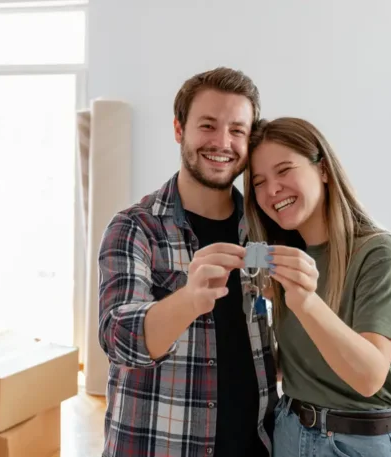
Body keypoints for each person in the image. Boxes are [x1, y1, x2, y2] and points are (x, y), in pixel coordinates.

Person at [97, 67, 278, 457]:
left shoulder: (264, 229)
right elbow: (118, 338)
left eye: (237, 130)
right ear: (179, 130)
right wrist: (190, 300)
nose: (222, 142)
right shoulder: (135, 227)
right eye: (208, 126)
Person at [243, 117, 391, 457]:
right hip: (290, 431)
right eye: (259, 182)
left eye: (284, 170)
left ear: (323, 169)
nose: (272, 190)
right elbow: (296, 367)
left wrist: (306, 303)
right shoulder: (288, 260)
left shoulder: (380, 254)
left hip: (360, 443)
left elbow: (368, 377)